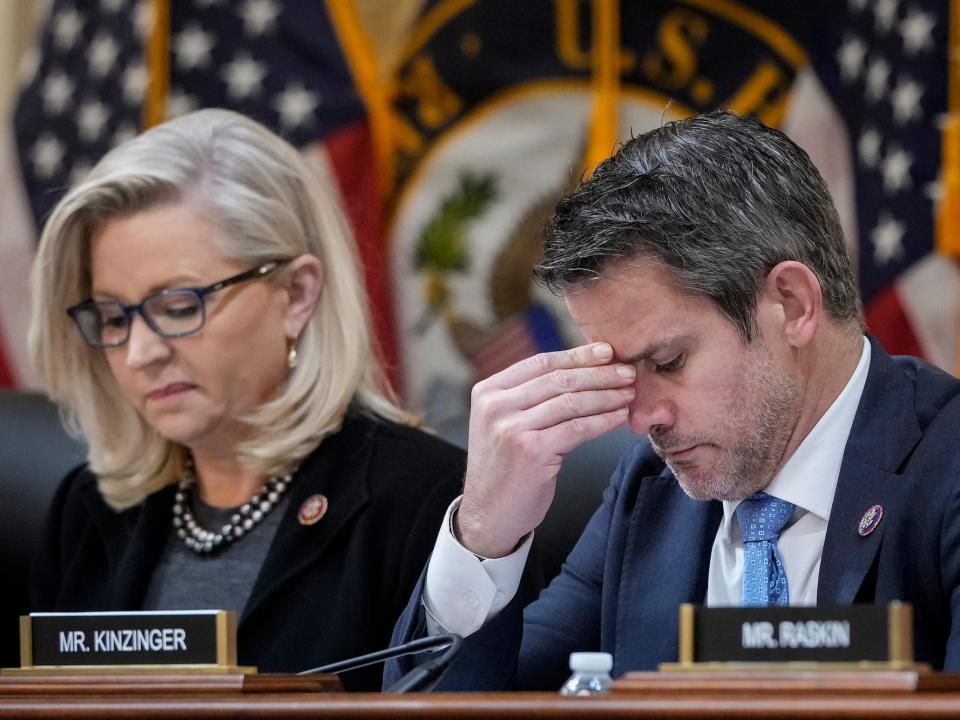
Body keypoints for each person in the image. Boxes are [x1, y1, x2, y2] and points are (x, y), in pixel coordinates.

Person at [385, 110, 960, 690]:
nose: (640, 419)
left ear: (791, 304)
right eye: (620, 370)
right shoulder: (650, 491)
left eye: (667, 363)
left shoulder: (948, 468)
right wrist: (485, 535)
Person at [28, 108, 465, 690]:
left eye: (179, 306)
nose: (139, 353)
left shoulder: (425, 501)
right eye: (112, 317)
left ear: (296, 295)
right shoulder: (90, 511)